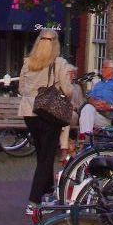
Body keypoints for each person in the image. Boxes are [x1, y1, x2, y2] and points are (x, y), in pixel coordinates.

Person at [18, 28, 73, 214]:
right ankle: (34, 201)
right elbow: (68, 90)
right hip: (49, 113)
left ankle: (49, 192)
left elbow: (21, 88)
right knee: (46, 157)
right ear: (56, 44)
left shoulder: (28, 63)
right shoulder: (59, 63)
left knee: (42, 154)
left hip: (29, 113)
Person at [78, 59, 113, 138]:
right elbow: (91, 98)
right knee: (88, 107)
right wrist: (95, 103)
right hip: (95, 114)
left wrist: (108, 107)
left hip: (109, 117)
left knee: (87, 111)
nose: (102, 70)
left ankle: (86, 140)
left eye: (104, 68)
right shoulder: (98, 84)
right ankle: (86, 138)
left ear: (112, 70)